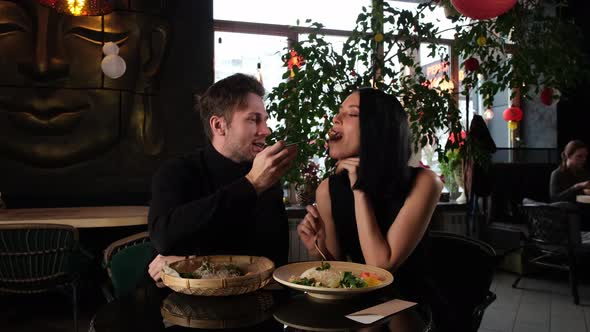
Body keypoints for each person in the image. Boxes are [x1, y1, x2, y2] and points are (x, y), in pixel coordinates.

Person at [296, 88, 453, 330]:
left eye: (352, 114)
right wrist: (317, 249)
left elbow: (381, 267)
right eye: (338, 113)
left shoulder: (425, 182)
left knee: (366, 325)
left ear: (378, 130)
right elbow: (338, 270)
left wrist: (359, 189)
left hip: (407, 303)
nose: (336, 119)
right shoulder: (327, 190)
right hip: (358, 303)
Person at [147, 73, 297, 282]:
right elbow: (164, 238)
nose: (266, 130)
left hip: (255, 300)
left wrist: (192, 262)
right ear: (218, 126)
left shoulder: (267, 178)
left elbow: (273, 258)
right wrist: (251, 184)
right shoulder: (177, 172)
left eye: (265, 120)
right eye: (254, 120)